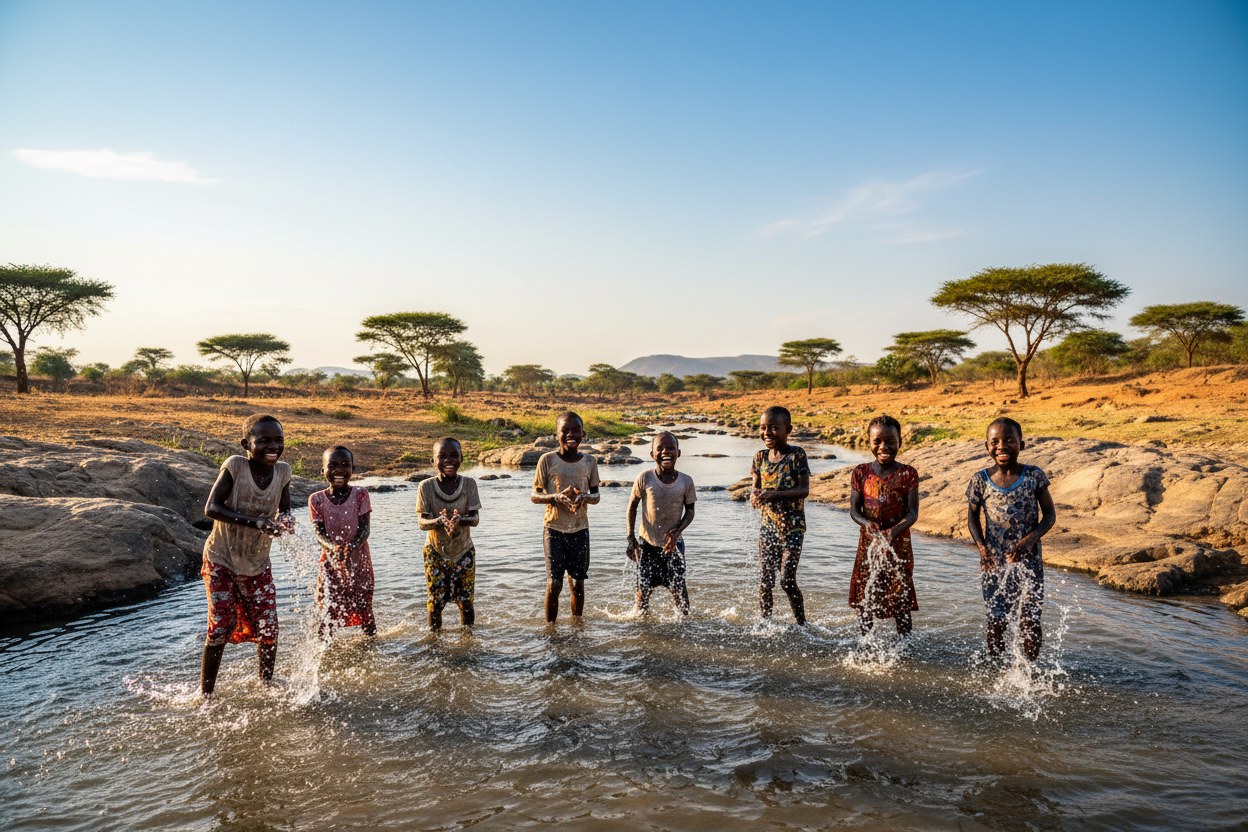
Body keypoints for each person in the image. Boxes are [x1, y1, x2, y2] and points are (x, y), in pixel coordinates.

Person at [199, 414, 294, 695]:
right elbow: (212, 508)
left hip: (257, 562)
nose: (273, 446)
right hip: (221, 559)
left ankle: (266, 686)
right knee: (220, 627)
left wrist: (285, 522)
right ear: (246, 444)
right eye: (264, 440)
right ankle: (206, 695)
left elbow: (285, 509)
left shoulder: (284, 472)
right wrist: (255, 522)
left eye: (278, 440)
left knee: (269, 628)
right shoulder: (236, 466)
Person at [966, 417, 1057, 661]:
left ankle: (1030, 672)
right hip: (993, 563)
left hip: (1029, 562)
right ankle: (996, 669)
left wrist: (1030, 540)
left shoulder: (1034, 476)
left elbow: (1049, 515)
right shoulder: (980, 480)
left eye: (1009, 440)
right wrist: (982, 550)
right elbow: (972, 519)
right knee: (996, 620)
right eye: (994, 441)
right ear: (987, 447)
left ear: (1021, 445)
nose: (1002, 446)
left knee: (1030, 620)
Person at [848, 415, 920, 635]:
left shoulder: (908, 474)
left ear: (900, 442)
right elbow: (854, 510)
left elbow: (913, 513)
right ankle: (865, 643)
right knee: (865, 597)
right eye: (877, 441)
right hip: (868, 545)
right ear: (869, 443)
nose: (883, 446)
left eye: (890, 441)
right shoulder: (861, 472)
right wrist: (867, 523)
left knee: (901, 599)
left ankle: (905, 648)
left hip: (899, 546)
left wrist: (893, 532)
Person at [531, 411, 600, 623]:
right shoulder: (547, 460)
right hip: (553, 529)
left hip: (580, 529)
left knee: (578, 583)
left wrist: (584, 496)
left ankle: (576, 628)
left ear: (583, 434)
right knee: (554, 583)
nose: (571, 434)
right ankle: (551, 631)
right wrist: (556, 497)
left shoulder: (589, 461)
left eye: (575, 430)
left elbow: (596, 496)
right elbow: (535, 495)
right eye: (565, 430)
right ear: (556, 435)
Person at [749, 405, 810, 625]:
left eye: (774, 428)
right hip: (767, 529)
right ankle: (766, 624)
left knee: (786, 581)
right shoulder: (760, 457)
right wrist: (754, 496)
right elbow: (755, 488)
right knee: (765, 581)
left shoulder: (797, 455)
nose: (767, 433)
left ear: (788, 430)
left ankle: (802, 624)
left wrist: (773, 495)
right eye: (763, 427)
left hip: (792, 529)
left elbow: (804, 490)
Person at [626, 431, 696, 616]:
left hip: (674, 546)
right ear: (652, 455)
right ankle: (642, 633)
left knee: (681, 596)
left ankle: (684, 633)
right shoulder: (645, 478)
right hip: (646, 544)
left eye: (671, 448)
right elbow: (632, 507)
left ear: (678, 453)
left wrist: (678, 531)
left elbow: (690, 511)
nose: (666, 452)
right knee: (643, 594)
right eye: (660, 448)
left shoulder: (686, 481)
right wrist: (630, 538)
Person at [308, 445, 375, 639]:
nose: (339, 470)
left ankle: (371, 648)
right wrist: (334, 548)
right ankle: (324, 653)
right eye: (333, 466)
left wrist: (352, 546)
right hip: (330, 563)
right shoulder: (316, 500)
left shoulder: (361, 494)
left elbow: (365, 529)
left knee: (365, 610)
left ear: (352, 469)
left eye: (345, 465)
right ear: (323, 471)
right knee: (326, 609)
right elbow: (319, 533)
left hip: (359, 563)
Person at [416, 437, 481, 630]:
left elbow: (475, 519)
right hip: (434, 552)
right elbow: (422, 523)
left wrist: (459, 520)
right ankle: (435, 643)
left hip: (464, 551)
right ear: (433, 461)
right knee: (435, 604)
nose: (448, 460)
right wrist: (438, 521)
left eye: (454, 455)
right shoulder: (426, 487)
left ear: (461, 458)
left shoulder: (469, 485)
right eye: (442, 456)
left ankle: (468, 643)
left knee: (466, 602)